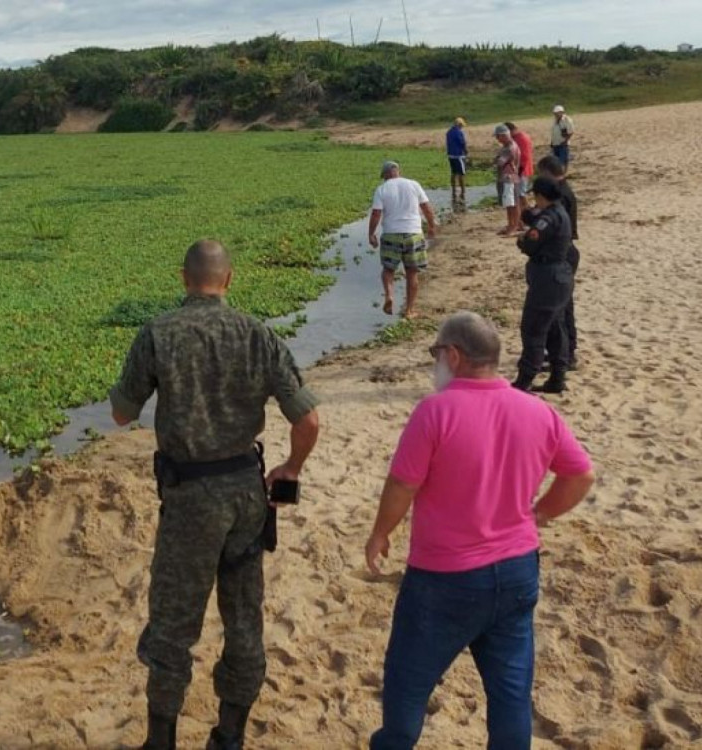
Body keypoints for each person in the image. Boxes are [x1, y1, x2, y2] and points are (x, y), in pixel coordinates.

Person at [110, 239, 322, 750]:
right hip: (247, 494)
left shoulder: (159, 332)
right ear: (228, 280)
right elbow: (309, 419)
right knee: (244, 616)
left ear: (184, 278)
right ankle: (229, 736)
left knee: (172, 625)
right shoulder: (257, 335)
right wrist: (290, 467)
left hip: (188, 497)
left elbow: (121, 414)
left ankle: (160, 740)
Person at [365, 310, 595, 749]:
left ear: (453, 355)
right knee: (510, 695)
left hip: (443, 578)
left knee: (406, 688)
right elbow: (580, 475)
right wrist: (539, 514)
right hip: (516, 572)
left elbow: (402, 485)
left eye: (437, 353)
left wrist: (380, 534)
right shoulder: (536, 410)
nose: (436, 362)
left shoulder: (435, 411)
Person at [513, 177, 575, 393]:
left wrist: (522, 240)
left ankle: (524, 380)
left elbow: (529, 243)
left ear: (540, 195)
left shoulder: (548, 218)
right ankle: (558, 377)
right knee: (556, 328)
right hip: (559, 277)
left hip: (548, 278)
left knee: (533, 328)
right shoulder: (559, 212)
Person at [368, 161, 438, 320]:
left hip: (391, 233)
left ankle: (389, 295)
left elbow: (376, 214)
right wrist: (432, 226)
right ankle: (409, 311)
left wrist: (371, 234)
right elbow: (426, 207)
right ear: (397, 171)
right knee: (412, 273)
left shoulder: (382, 189)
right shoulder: (414, 184)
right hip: (413, 233)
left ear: (386, 174)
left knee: (388, 269)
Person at [537, 154, 580, 369]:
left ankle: (565, 355)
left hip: (562, 254)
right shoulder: (563, 189)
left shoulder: (560, 195)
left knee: (560, 308)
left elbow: (550, 226)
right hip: (565, 252)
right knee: (561, 306)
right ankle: (561, 352)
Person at [493, 125, 522, 236]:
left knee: (512, 204)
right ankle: (512, 224)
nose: (497, 139)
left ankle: (513, 225)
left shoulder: (509, 148)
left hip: (509, 178)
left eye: (498, 136)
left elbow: (499, 162)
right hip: (509, 177)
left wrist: (496, 159)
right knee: (511, 202)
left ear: (504, 135)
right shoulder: (508, 146)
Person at [506, 121, 535, 197]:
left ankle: (525, 208)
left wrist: (519, 171)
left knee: (521, 194)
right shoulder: (517, 138)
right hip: (519, 169)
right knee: (517, 192)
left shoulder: (521, 138)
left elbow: (524, 156)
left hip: (522, 170)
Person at [445, 117, 468, 203]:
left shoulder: (449, 132)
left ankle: (454, 190)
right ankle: (463, 191)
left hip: (451, 155)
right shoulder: (459, 132)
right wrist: (466, 151)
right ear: (459, 125)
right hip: (458, 155)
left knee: (453, 173)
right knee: (462, 174)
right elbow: (462, 143)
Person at [551, 105, 575, 170]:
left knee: (563, 159)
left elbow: (571, 132)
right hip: (555, 143)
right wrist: (552, 142)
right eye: (555, 113)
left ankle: (564, 172)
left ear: (562, 112)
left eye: (557, 113)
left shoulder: (567, 120)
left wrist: (565, 141)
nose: (555, 114)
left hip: (563, 143)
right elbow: (553, 132)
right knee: (557, 160)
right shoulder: (555, 120)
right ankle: (561, 172)